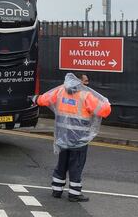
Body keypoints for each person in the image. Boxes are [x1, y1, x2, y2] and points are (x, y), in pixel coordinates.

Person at [34, 73, 111, 202]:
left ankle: (57, 190)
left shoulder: (60, 91)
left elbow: (43, 100)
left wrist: (35, 98)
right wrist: (107, 103)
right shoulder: (85, 95)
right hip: (79, 139)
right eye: (85, 81)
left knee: (62, 163)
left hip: (63, 137)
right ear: (79, 81)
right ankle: (74, 193)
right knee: (76, 165)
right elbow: (105, 111)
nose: (87, 83)